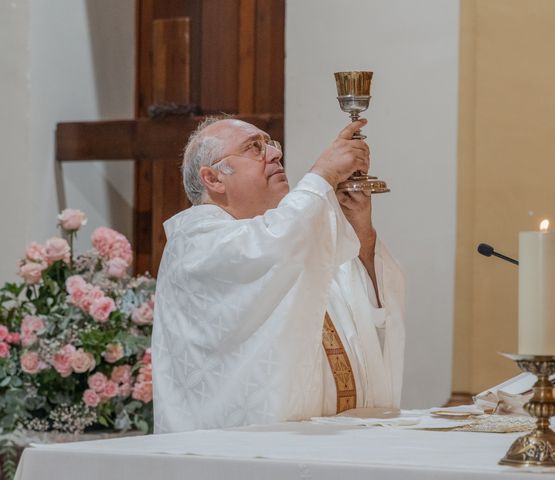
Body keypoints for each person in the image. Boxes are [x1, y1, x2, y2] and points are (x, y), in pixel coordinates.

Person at [152, 117, 405, 433]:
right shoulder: (196, 243)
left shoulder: (295, 243)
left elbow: (367, 310)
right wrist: (323, 174)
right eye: (254, 147)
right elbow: (268, 248)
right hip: (241, 455)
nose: (273, 154)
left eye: (271, 144)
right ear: (213, 178)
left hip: (336, 442)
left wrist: (361, 232)